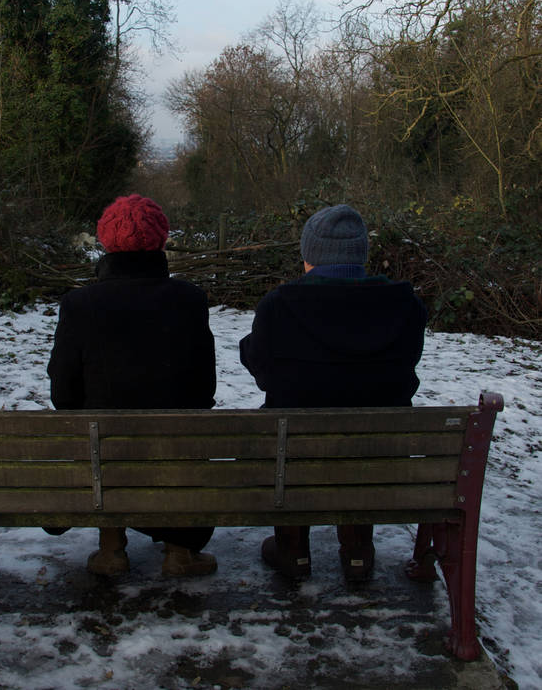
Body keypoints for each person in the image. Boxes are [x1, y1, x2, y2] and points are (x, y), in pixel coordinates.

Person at [239, 204, 427, 581]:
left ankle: (293, 550)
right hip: (380, 461)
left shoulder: (280, 305)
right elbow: (402, 372)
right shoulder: (406, 306)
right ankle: (357, 551)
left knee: (289, 435)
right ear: (360, 255)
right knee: (364, 438)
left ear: (310, 254)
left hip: (294, 458)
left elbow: (262, 370)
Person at [47, 194, 217, 577]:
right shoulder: (190, 299)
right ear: (160, 241)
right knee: (179, 435)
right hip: (174, 456)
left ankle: (112, 549)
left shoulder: (79, 304)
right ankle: (179, 551)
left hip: (104, 458)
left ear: (106, 242)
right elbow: (203, 387)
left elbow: (63, 392)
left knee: (97, 433)